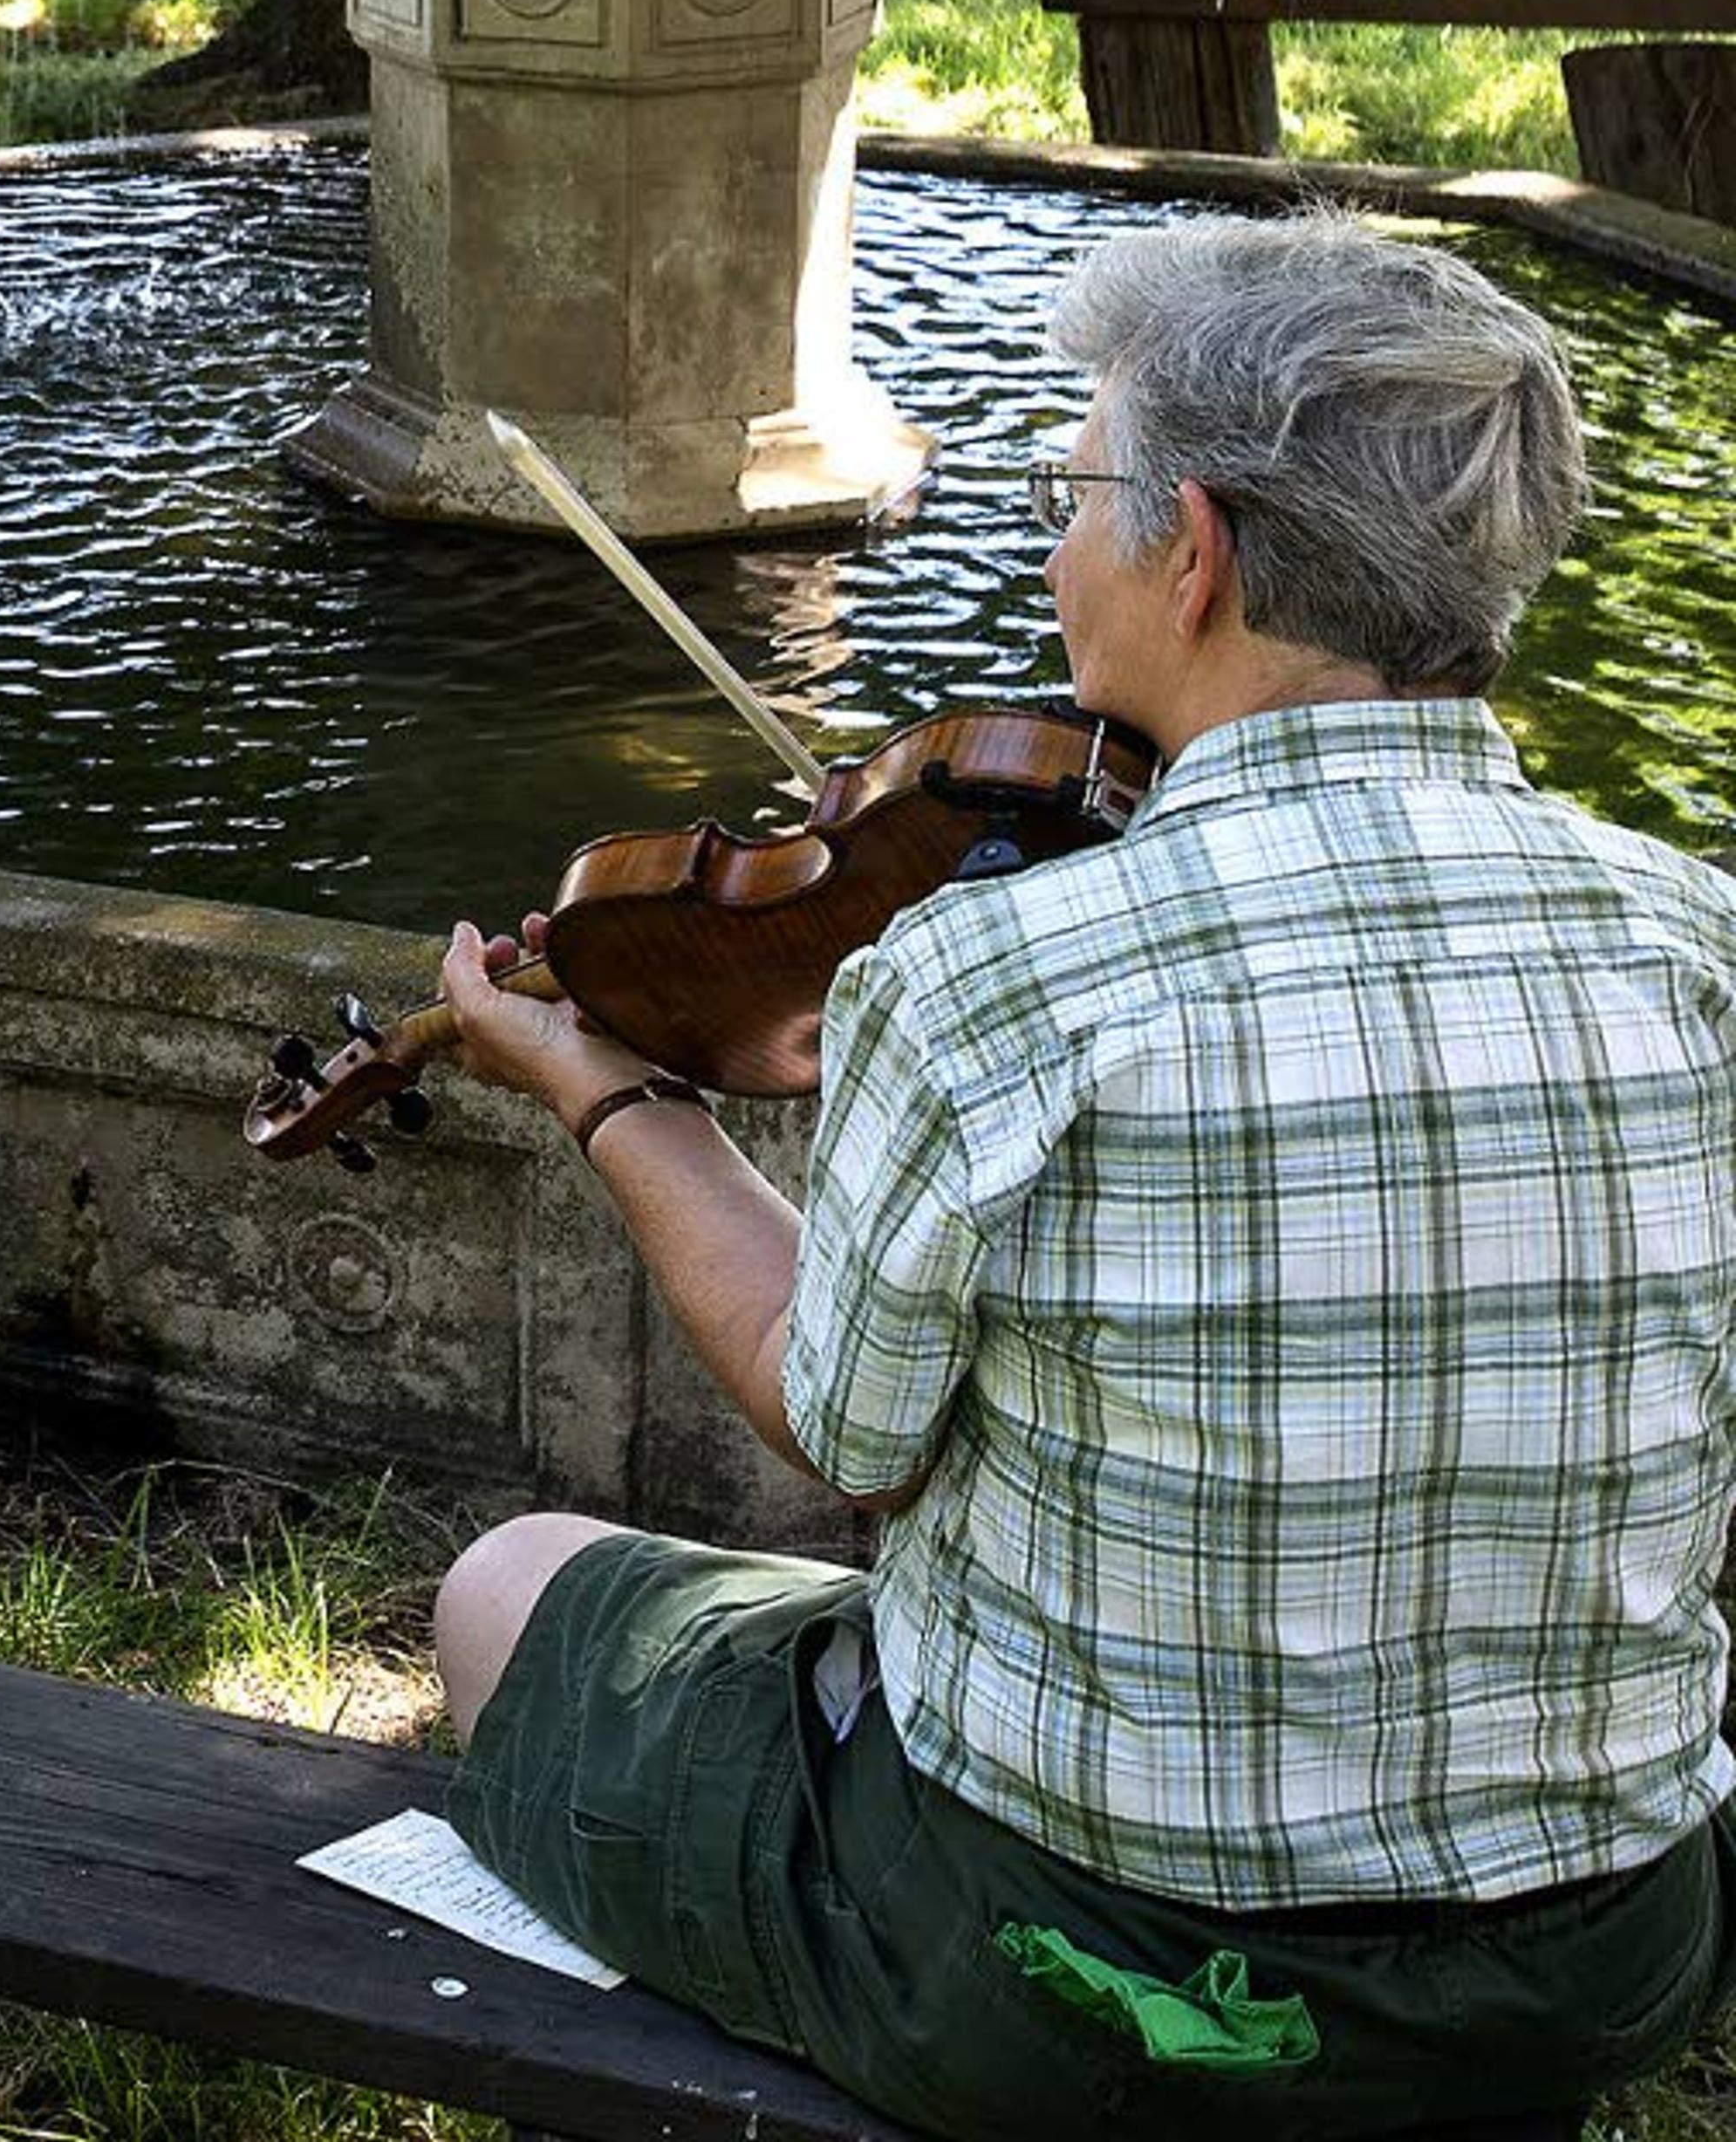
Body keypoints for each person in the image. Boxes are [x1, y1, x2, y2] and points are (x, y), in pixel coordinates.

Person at [428, 210, 1736, 2140]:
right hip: (1591, 1965)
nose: (1053, 552)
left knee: (504, 1586)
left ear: (1190, 548)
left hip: (1074, 1977)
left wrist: (617, 1089)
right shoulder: (1701, 935)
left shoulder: (997, 968)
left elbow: (848, 1432)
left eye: (1071, 490)